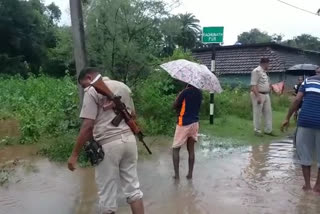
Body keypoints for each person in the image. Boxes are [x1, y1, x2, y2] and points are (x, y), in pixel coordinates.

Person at [67, 67, 144, 214]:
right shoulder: (123, 87)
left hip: (108, 145)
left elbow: (87, 126)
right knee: (134, 190)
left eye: (84, 85)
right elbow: (133, 114)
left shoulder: (91, 91)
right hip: (129, 142)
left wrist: (74, 154)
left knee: (107, 197)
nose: (85, 88)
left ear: (89, 78)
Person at [281, 67, 320, 193]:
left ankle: (307, 185)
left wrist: (287, 118)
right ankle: (318, 187)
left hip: (305, 122)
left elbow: (297, 100)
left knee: (305, 155)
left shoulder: (307, 82)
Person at [172, 84, 202, 180]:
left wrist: (179, 95)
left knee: (176, 148)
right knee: (191, 150)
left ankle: (177, 175)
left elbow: (175, 105)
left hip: (183, 123)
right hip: (195, 123)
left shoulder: (185, 92)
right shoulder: (199, 93)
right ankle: (190, 174)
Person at [250, 57, 274, 136]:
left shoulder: (264, 72)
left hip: (266, 94)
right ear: (265, 63)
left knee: (268, 112)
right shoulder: (256, 71)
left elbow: (265, 83)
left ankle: (268, 130)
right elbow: (253, 85)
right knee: (258, 113)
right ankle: (257, 130)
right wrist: (258, 97)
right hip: (259, 94)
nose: (269, 65)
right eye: (268, 64)